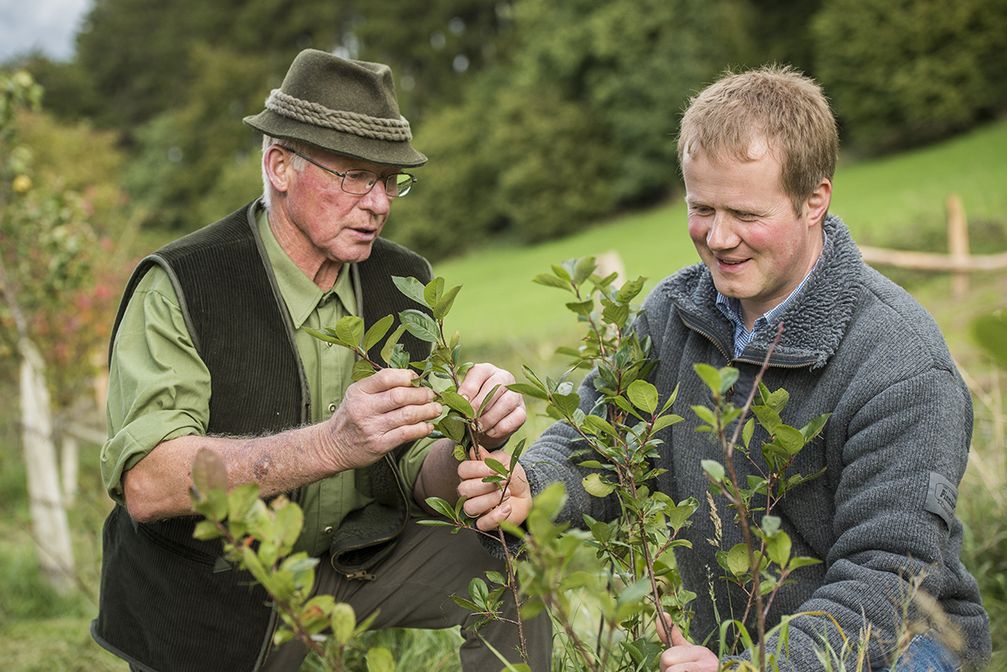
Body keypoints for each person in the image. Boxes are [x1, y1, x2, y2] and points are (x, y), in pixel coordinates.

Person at [458, 66, 991, 671]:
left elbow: (890, 580)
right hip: (734, 643)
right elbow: (601, 443)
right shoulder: (672, 314)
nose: (718, 237)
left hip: (903, 645)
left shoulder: (901, 363)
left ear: (814, 199)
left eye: (744, 213)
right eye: (700, 208)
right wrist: (534, 485)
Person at [91, 49, 550, 672]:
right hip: (209, 595)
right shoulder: (183, 282)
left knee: (508, 558)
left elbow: (420, 469)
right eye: (355, 175)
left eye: (390, 180)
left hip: (354, 565)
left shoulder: (402, 278)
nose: (379, 202)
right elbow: (147, 480)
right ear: (280, 165)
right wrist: (332, 445)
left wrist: (474, 444)